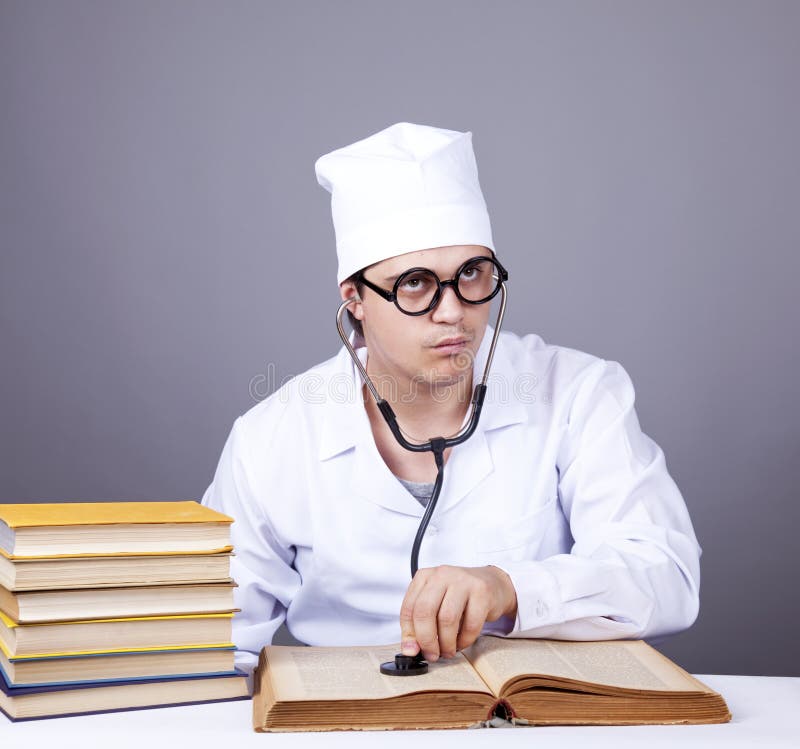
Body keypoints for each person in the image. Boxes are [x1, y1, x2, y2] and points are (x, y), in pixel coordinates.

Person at [201, 122, 701, 678]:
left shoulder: (577, 392)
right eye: (415, 282)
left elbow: (667, 573)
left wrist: (509, 587)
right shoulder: (271, 437)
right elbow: (214, 639)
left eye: (471, 273)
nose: (452, 311)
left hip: (539, 724)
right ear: (356, 300)